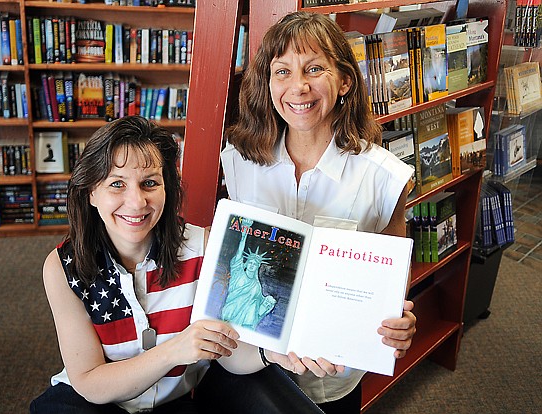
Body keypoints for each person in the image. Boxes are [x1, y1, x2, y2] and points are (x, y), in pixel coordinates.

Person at [30, 116, 313, 414]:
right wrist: (174, 351)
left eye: (149, 183)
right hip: (98, 400)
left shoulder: (203, 245)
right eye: (116, 184)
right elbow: (90, 383)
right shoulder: (63, 267)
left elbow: (228, 351)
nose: (137, 202)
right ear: (91, 192)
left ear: (167, 188)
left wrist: (272, 353)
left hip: (177, 398)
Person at [220, 11, 417, 413]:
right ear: (267, 83)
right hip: (251, 362)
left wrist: (397, 319)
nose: (299, 87)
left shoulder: (385, 177)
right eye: (282, 72)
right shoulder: (237, 162)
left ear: (344, 80)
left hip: (332, 378)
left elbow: (395, 275)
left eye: (314, 69)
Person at [220, 217, 276, 329]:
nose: (251, 265)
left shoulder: (256, 285)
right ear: (246, 263)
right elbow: (240, 253)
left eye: (254, 264)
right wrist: (245, 233)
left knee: (255, 304)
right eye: (250, 262)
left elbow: (259, 305)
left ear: (258, 266)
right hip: (231, 312)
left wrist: (269, 303)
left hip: (246, 321)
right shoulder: (238, 272)